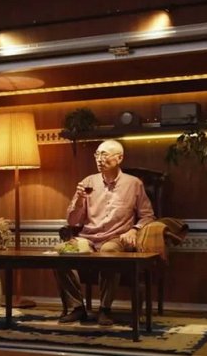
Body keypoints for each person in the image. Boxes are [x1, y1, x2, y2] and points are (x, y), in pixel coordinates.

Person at [55, 139, 155, 325]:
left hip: (116, 238)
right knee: (61, 255)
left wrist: (134, 230)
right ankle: (78, 307)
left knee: (108, 252)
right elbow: (72, 221)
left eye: (104, 155)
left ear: (119, 158)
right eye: (97, 155)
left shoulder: (134, 184)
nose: (99, 159)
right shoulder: (88, 182)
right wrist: (78, 202)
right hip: (88, 238)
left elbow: (148, 215)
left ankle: (104, 309)